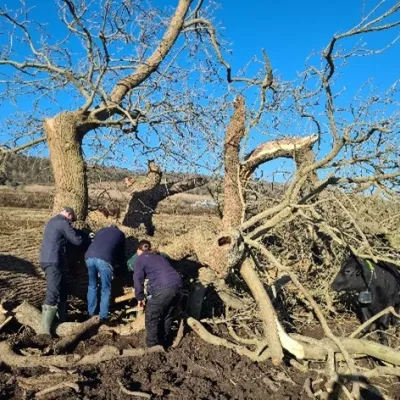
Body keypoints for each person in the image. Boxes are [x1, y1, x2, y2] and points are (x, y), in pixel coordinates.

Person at [39, 206, 86, 335]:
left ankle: (60, 323)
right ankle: (43, 332)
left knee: (62, 290)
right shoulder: (63, 222)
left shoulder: (52, 221)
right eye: (72, 220)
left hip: (48, 259)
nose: (71, 223)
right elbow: (76, 241)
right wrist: (88, 240)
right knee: (53, 293)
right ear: (70, 215)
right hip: (53, 261)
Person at [134, 240, 182, 347]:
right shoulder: (159, 256)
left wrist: (139, 297)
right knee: (167, 314)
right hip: (178, 285)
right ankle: (165, 341)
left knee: (151, 315)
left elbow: (137, 279)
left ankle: (153, 346)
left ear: (139, 250)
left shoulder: (141, 258)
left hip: (163, 287)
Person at [85, 225, 126, 321]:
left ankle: (91, 314)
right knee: (105, 289)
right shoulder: (120, 234)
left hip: (89, 257)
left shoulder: (101, 230)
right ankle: (103, 317)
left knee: (92, 286)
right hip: (104, 260)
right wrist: (119, 266)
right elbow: (121, 253)